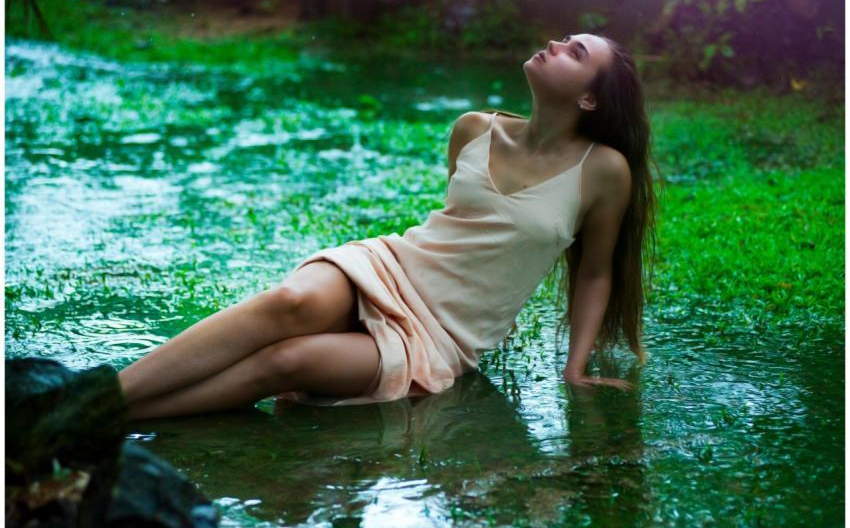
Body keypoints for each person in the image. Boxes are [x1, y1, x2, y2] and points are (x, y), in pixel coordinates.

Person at [118, 33, 660, 420]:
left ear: (589, 98)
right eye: (564, 39)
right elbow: (459, 228)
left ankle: (108, 421)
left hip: (442, 337)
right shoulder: (473, 128)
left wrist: (575, 368)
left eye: (576, 52)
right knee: (290, 303)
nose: (556, 44)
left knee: (288, 362)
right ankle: (98, 401)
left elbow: (594, 273)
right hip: (391, 265)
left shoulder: (603, 171)